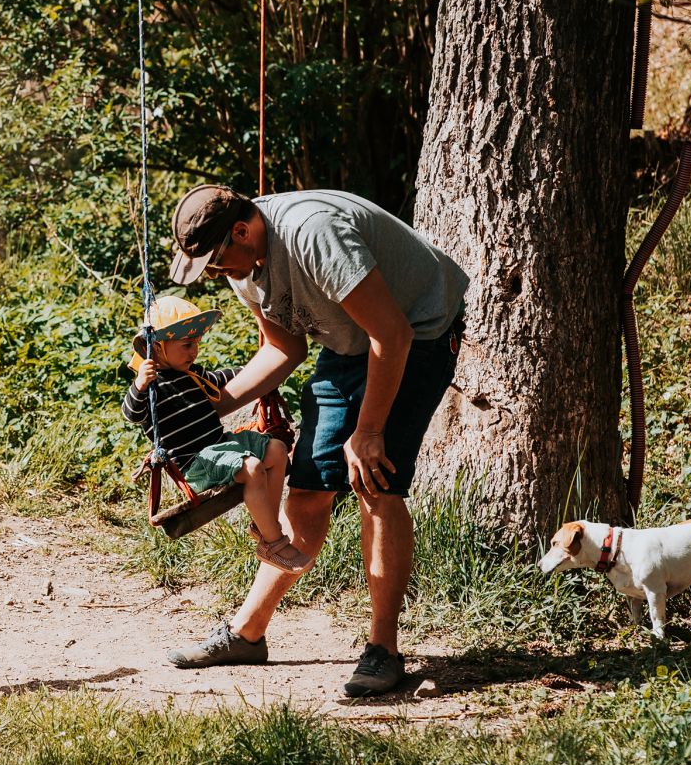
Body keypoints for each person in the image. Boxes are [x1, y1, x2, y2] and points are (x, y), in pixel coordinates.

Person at [165, 183, 468, 697]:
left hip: (418, 334)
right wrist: (204, 410)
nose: (215, 274)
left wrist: (368, 431)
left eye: (215, 261)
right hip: (350, 343)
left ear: (242, 231)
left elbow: (391, 335)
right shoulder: (244, 267)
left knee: (374, 482)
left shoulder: (314, 234)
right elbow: (283, 349)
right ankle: (246, 634)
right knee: (307, 491)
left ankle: (384, 649)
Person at [121, 295, 297, 562]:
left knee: (277, 449)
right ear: (157, 347)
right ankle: (274, 543)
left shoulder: (192, 374)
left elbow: (220, 377)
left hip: (221, 445)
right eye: (187, 345)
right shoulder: (152, 389)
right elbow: (131, 414)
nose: (194, 352)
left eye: (196, 344)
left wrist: (264, 370)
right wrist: (139, 385)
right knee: (251, 467)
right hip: (196, 463)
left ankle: (265, 525)